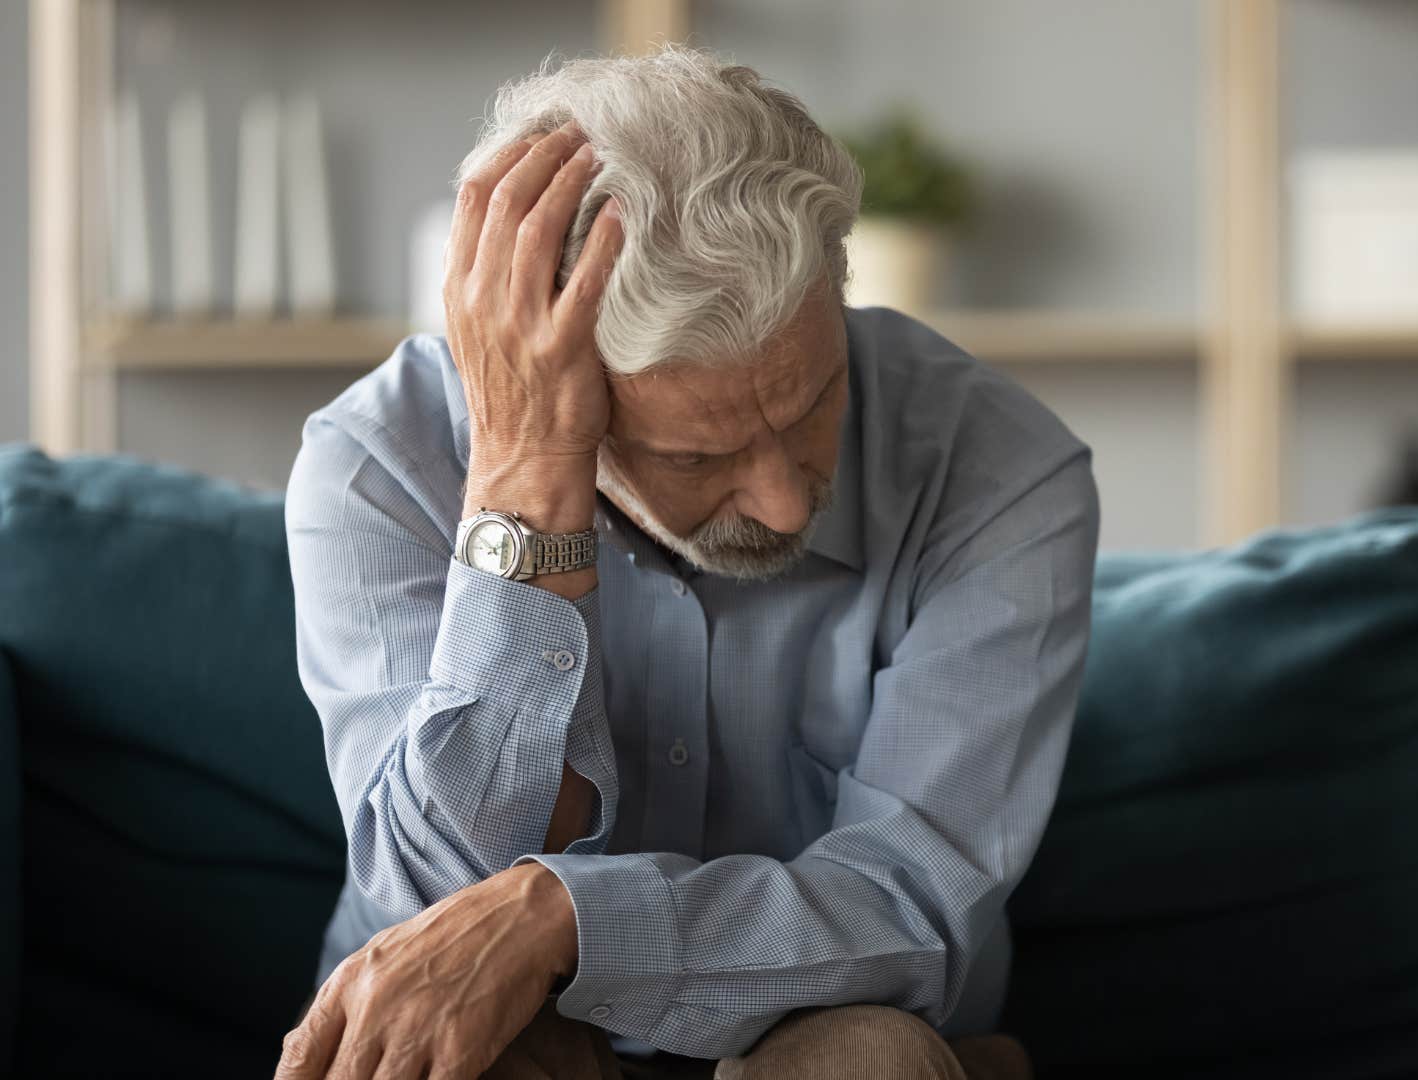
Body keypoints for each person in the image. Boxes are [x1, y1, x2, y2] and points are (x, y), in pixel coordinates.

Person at [276, 46, 1097, 1080]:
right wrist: (528, 485)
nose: (787, 500)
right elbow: (440, 910)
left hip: (831, 1031)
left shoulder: (1002, 465)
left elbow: (912, 909)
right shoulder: (376, 462)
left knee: (871, 1063)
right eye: (696, 455)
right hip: (498, 1043)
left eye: (810, 408)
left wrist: (571, 919)